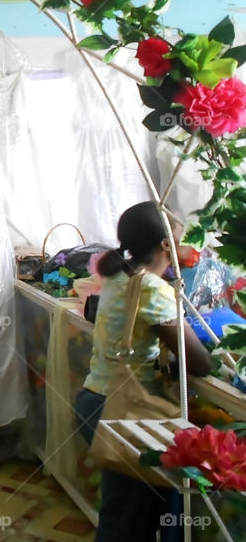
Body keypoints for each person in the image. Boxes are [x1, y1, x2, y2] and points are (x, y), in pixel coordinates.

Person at [74, 201, 211, 542]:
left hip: (99, 400)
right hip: (123, 413)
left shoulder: (121, 277)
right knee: (127, 523)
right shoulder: (151, 288)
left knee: (131, 512)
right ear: (167, 245)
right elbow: (200, 362)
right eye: (180, 238)